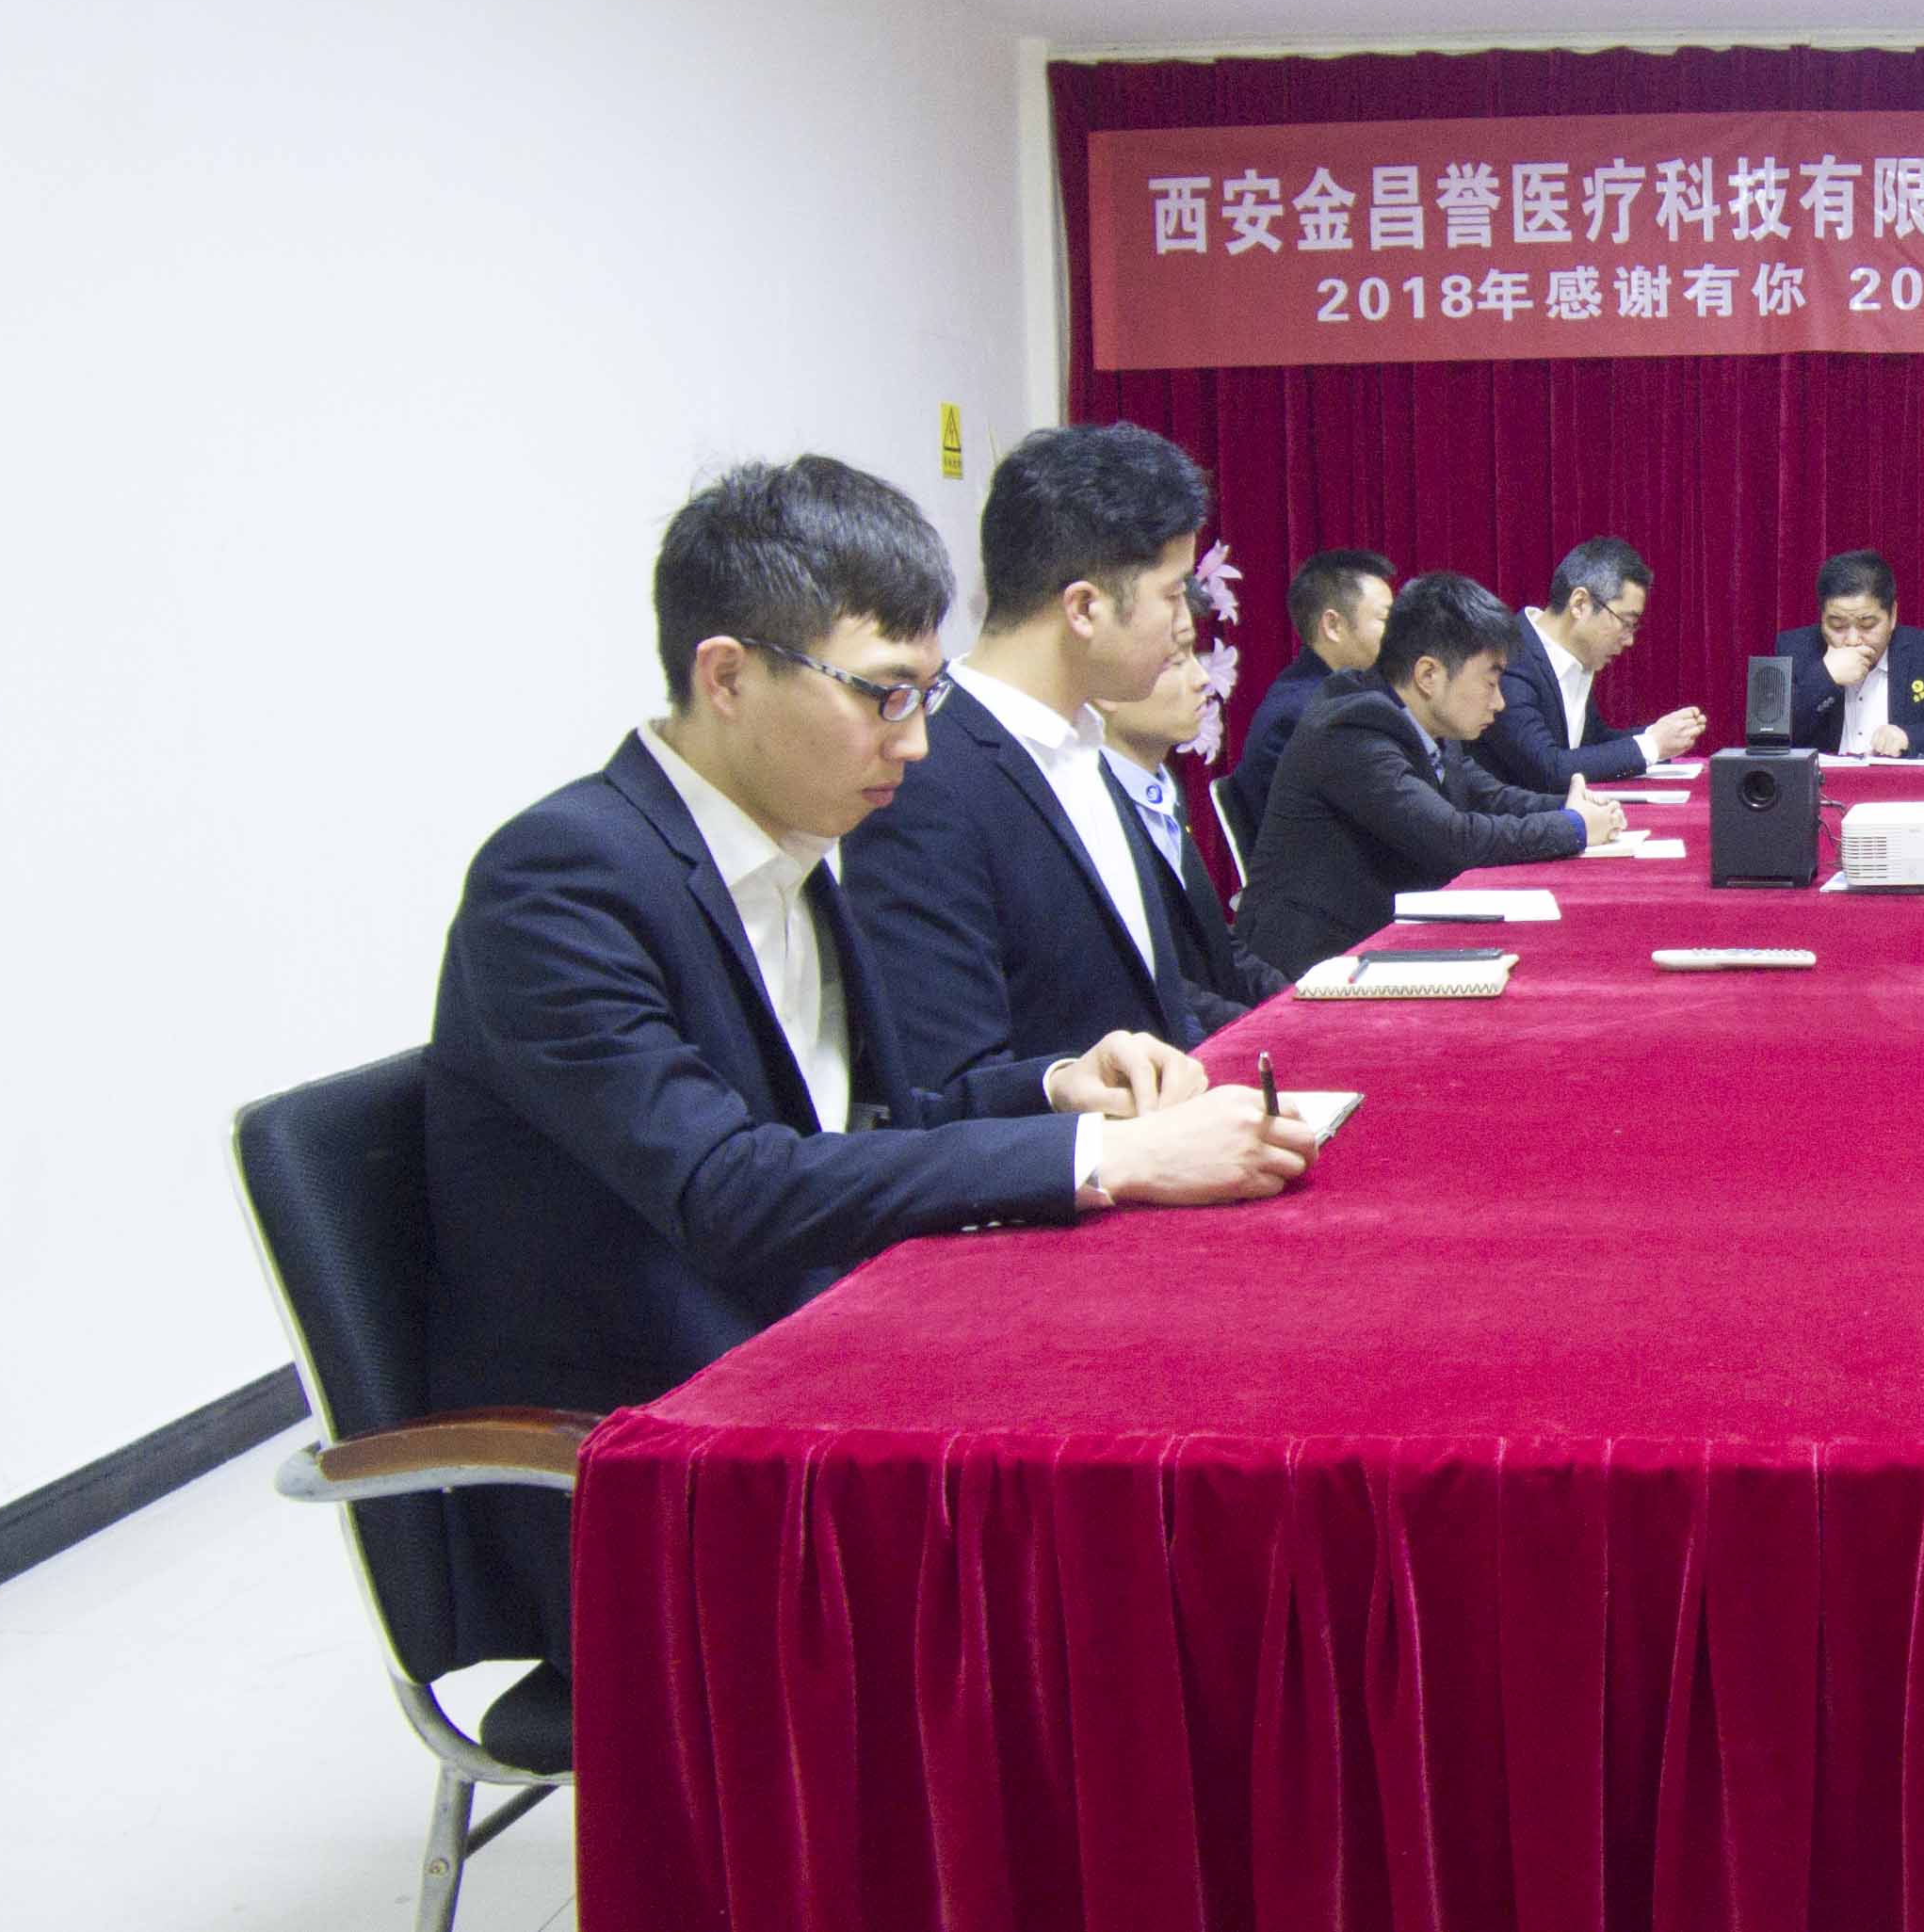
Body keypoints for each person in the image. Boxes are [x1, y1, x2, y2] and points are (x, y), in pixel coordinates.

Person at [425, 455, 1314, 1669]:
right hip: (656, 1455)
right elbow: (729, 1188)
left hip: (807, 1360)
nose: (919, 742)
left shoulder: (790, 847)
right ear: (726, 676)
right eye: (884, 695)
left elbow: (859, 1118)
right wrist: (1108, 1156)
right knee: (1125, 1522)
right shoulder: (564, 880)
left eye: (927, 695)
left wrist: (1057, 1084)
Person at [844, 423, 1243, 1090]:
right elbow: (945, 1081)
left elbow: (1156, 994)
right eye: (1172, 594)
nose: (1183, 626)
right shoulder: (926, 777)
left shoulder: (1087, 742)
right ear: (1084, 608)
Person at [1244, 571, 1625, 977]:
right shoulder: (1354, 726)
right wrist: (1573, 827)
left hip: (1384, 939)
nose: (1499, 703)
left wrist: (1570, 805)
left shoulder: (1423, 718)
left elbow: (1490, 796)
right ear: (1429, 675)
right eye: (1490, 682)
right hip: (1316, 964)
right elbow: (1453, 839)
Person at [1101, 587, 1287, 1009]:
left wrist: (1295, 1002)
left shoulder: (1159, 786)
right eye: (1175, 661)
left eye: (1195, 656)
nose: (1202, 678)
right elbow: (1150, 984)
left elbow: (1218, 944)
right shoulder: (1093, 807)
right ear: (1103, 684)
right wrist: (1260, 1029)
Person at [1476, 535, 1706, 791]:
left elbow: (1592, 745)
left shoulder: (1574, 660)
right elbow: (1547, 769)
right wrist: (1651, 745)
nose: (1629, 640)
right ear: (1580, 604)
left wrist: (1661, 734)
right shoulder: (1510, 657)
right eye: (1626, 623)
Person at [1224, 547, 1396, 845]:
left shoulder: (1335, 695)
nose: (1396, 635)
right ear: (1333, 625)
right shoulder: (1304, 713)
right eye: (1385, 619)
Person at [1773, 548, 1924, 757]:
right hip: (1824, 785)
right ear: (1822, 618)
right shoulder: (1796, 649)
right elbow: (1768, 738)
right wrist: (1824, 678)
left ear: (1893, 615)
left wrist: (1910, 738)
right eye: (1837, 625)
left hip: (1900, 785)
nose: (1852, 640)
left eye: (1867, 624)